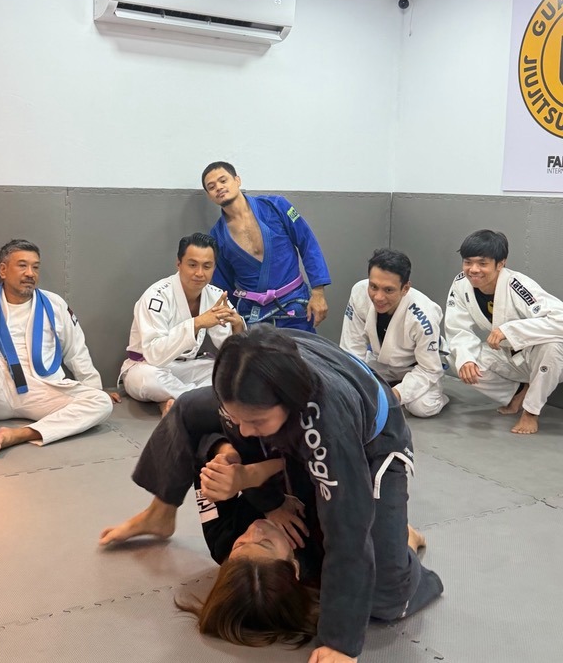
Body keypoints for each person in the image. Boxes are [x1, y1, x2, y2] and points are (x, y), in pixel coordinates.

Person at [100, 326, 443, 662]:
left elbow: (348, 528)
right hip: (289, 396)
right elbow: (211, 420)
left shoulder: (326, 425)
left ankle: (401, 540)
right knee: (191, 409)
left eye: (257, 421)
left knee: (385, 598)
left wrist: (339, 642)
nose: (245, 430)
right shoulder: (236, 382)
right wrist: (255, 486)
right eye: (236, 417)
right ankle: (160, 514)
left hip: (374, 437)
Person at [0, 239, 116, 456]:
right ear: (3, 270)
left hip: (40, 389)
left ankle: (20, 434)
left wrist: (94, 387)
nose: (30, 273)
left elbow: (76, 349)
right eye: (22, 265)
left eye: (35, 267)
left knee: (101, 402)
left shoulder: (55, 304)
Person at [445, 229, 563, 435]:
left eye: (482, 263)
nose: (473, 270)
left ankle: (531, 412)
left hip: (543, 360)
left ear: (500, 264)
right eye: (467, 262)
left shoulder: (517, 285)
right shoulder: (461, 284)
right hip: (510, 357)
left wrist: (510, 330)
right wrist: (466, 359)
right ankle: (517, 393)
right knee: (458, 358)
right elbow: (458, 328)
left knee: (552, 347)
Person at [118, 233, 244, 414]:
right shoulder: (157, 296)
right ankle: (200, 400)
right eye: (192, 265)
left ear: (214, 267)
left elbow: (230, 352)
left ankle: (173, 402)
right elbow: (154, 355)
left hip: (187, 368)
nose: (199, 273)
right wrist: (197, 323)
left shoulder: (216, 296)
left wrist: (238, 327)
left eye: (207, 266)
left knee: (233, 373)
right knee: (148, 379)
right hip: (148, 367)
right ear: (179, 264)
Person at [201, 161, 330, 332]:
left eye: (223, 180)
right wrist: (233, 323)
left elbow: (307, 243)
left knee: (301, 350)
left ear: (237, 180)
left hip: (294, 305)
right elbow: (224, 286)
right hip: (254, 316)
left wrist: (318, 292)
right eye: (211, 187)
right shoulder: (217, 237)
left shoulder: (276, 206)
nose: (219, 187)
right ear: (209, 195)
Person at [340, 248, 449, 418]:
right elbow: (352, 348)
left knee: (422, 407)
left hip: (417, 367)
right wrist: (353, 385)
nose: (378, 297)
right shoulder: (359, 292)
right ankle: (388, 384)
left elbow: (429, 368)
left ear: (405, 288)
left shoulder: (424, 316)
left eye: (388, 290)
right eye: (373, 286)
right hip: (380, 362)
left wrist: (395, 395)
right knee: (344, 385)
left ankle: (436, 393)